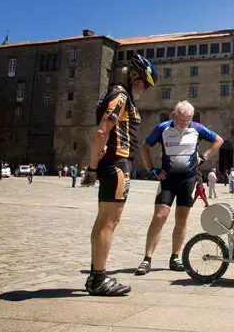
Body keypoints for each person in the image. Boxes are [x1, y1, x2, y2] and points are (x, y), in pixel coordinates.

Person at [81, 54, 158, 296]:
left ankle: (96, 274)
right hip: (117, 164)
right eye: (144, 83)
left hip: (113, 163)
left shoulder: (114, 94)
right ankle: (100, 277)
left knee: (103, 220)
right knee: (109, 221)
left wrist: (95, 165)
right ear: (135, 76)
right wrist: (92, 168)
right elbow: (102, 131)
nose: (144, 89)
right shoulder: (121, 95)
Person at [135, 101, 223, 276]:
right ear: (174, 115)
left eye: (187, 121)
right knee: (160, 216)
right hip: (168, 179)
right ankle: (147, 259)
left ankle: (175, 257)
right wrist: (152, 169)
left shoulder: (196, 128)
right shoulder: (163, 128)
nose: (184, 124)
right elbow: (145, 146)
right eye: (181, 120)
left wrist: (204, 157)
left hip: (188, 180)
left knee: (181, 220)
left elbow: (218, 140)